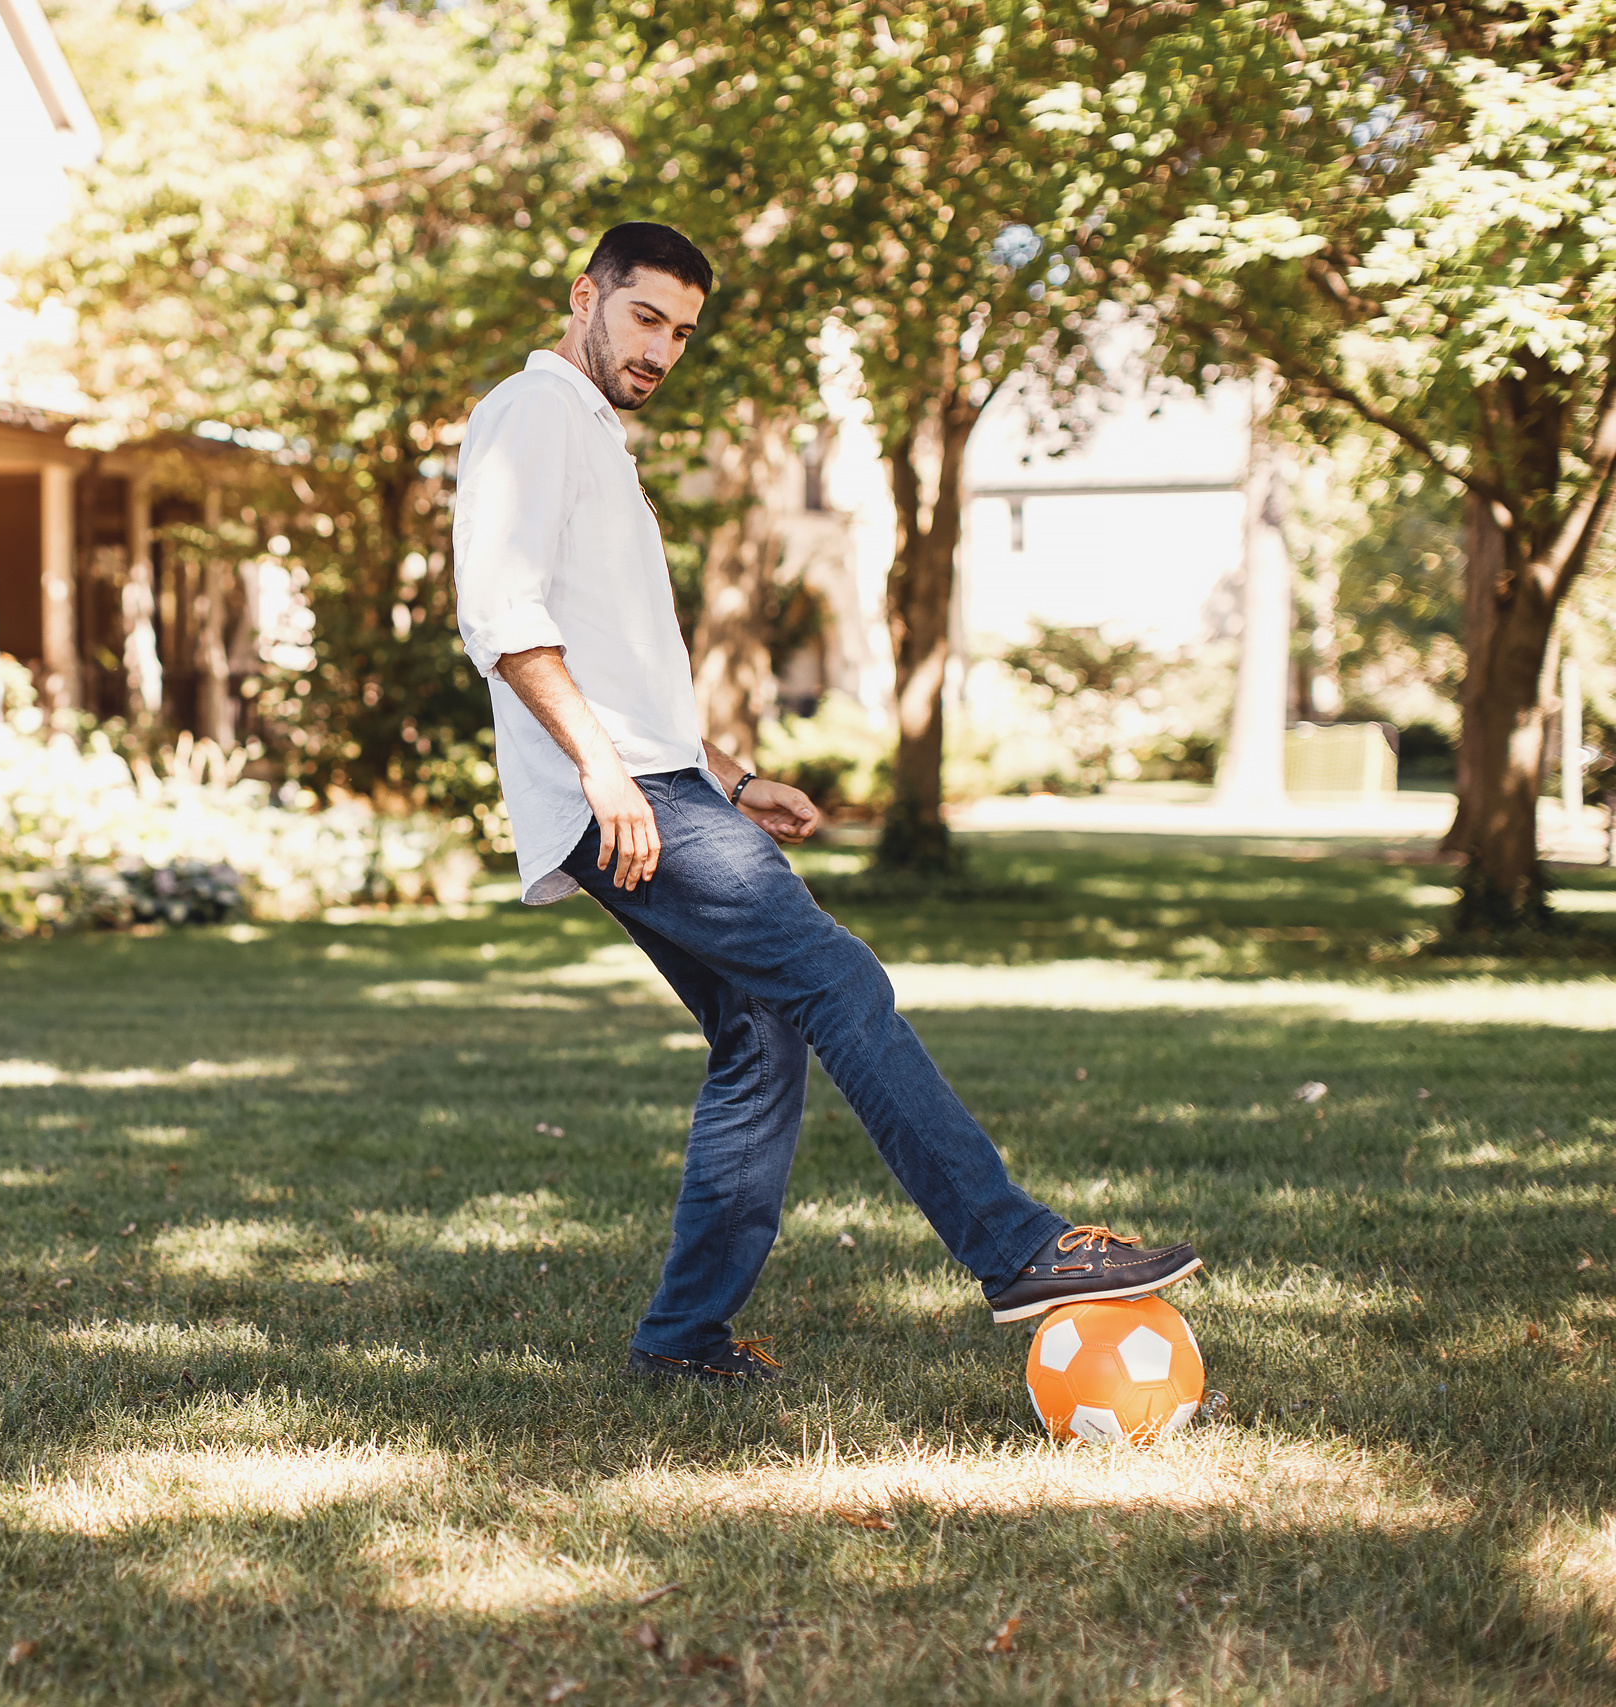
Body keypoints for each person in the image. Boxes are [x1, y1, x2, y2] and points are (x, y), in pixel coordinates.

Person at [453, 222, 1201, 1384]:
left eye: (682, 333)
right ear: (583, 296)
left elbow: (612, 658)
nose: (661, 349)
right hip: (619, 793)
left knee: (762, 1039)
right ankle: (1016, 1250)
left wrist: (732, 779)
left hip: (653, 779)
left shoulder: (596, 436)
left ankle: (681, 1346)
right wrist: (605, 773)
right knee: (835, 977)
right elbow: (501, 613)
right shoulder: (534, 411)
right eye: (644, 317)